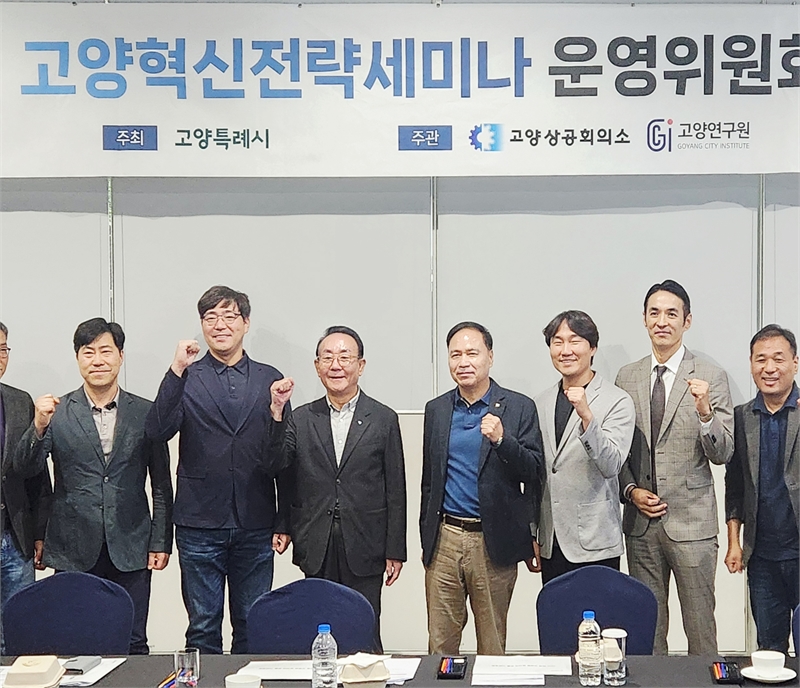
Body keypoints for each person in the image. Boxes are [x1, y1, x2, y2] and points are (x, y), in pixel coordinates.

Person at [146, 285, 294, 654]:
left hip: (255, 521)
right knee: (202, 627)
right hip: (199, 523)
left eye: (229, 316)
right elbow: (157, 431)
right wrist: (175, 369)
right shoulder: (187, 376)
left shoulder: (269, 378)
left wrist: (283, 520)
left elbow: (281, 460)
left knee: (253, 624)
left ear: (246, 323)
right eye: (210, 317)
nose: (220, 325)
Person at [14, 318, 172, 655]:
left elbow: (161, 482)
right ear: (77, 358)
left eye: (105, 351)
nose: (97, 360)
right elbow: (26, 469)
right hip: (72, 546)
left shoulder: (146, 412)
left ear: (121, 356)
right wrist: (38, 426)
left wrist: (161, 540)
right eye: (88, 352)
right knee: (73, 639)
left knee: (133, 640)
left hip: (131, 543)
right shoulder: (58, 412)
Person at [616, 279, 734, 655]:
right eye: (654, 313)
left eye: (671, 313)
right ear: (644, 319)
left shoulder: (711, 375)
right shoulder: (626, 377)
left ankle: (705, 681)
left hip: (692, 525)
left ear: (687, 321)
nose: (662, 321)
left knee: (700, 630)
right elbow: (619, 450)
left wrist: (705, 413)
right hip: (640, 525)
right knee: (647, 632)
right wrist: (630, 491)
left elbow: (723, 452)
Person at [420, 321, 543, 655]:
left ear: (490, 356)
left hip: (493, 542)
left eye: (472, 353)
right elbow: (429, 481)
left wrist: (502, 441)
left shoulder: (519, 407)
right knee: (440, 644)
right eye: (455, 354)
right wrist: (427, 538)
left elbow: (533, 471)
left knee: (492, 644)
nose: (464, 362)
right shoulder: (437, 409)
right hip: (445, 539)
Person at [283, 326, 406, 651]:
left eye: (344, 357)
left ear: (360, 365)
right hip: (316, 540)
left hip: (366, 542)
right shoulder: (301, 417)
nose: (336, 365)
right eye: (327, 358)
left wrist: (395, 549)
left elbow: (396, 489)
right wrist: (284, 526)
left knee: (364, 629)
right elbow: (285, 476)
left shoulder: (383, 418)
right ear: (317, 366)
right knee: (318, 628)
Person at [534, 311, 635, 584]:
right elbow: (538, 474)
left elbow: (611, 465)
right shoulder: (540, 402)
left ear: (592, 348)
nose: (565, 350)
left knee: (598, 612)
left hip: (595, 541)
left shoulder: (617, 401)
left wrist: (587, 417)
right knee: (554, 611)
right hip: (551, 540)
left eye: (575, 341)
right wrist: (534, 532)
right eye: (557, 342)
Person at [725, 324, 799, 654]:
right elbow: (735, 487)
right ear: (751, 364)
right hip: (762, 559)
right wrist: (734, 543)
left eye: (778, 359)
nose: (769, 368)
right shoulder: (742, 418)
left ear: (795, 363)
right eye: (761, 359)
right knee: (769, 649)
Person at [0, 321, 51, 650]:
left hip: (14, 538)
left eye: (2, 350)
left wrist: (39, 533)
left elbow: (38, 476)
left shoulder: (20, 402)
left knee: (19, 637)